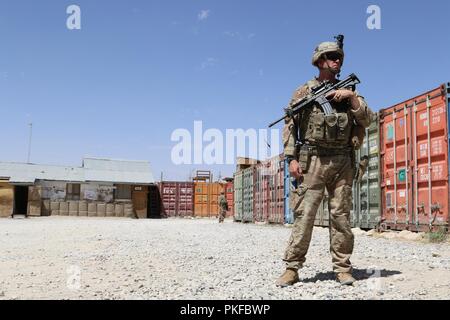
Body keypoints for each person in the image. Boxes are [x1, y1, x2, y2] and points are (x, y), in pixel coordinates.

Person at [276, 37, 373, 287]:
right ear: (319, 61)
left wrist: (351, 97)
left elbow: (367, 120)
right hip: (313, 159)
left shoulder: (350, 91)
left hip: (342, 160)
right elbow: (290, 126)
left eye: (339, 56)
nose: (337, 60)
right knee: (304, 216)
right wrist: (291, 159)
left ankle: (342, 268)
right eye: (331, 56)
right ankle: (292, 268)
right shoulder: (304, 92)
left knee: (340, 216)